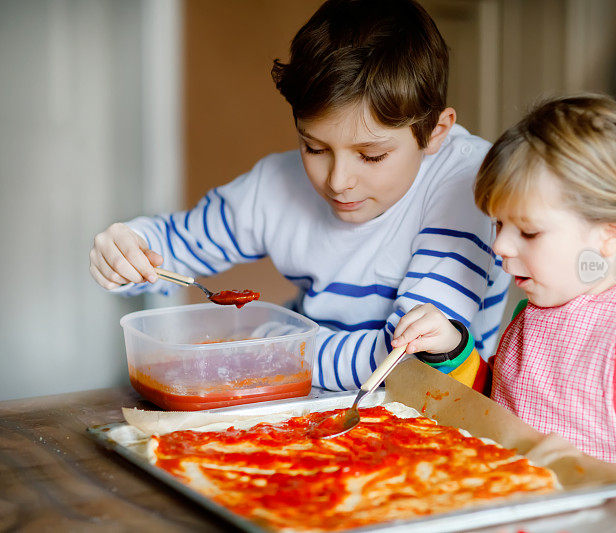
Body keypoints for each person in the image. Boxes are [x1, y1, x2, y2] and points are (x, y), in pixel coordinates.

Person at [88, 0, 509, 392]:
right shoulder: (276, 183)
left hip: (430, 418)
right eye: (314, 148)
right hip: (306, 405)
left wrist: (274, 344)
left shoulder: (469, 183)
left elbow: (405, 362)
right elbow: (171, 249)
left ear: (436, 131)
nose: (339, 180)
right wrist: (129, 250)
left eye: (372, 155)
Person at [392, 95, 616, 527]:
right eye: (498, 224)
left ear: (609, 236)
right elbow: (501, 410)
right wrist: (451, 347)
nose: (501, 247)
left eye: (527, 231)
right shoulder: (535, 309)